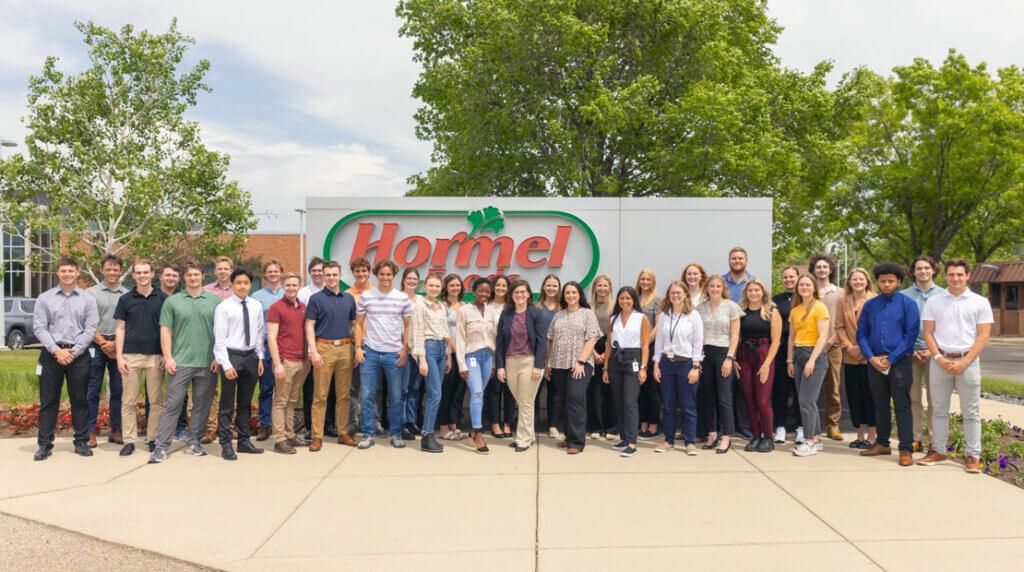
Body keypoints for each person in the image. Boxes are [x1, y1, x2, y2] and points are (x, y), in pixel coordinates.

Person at [918, 260, 994, 474]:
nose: (955, 278)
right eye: (951, 275)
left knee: (971, 411)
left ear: (968, 276)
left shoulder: (979, 302)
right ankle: (939, 450)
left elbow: (983, 335)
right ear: (946, 277)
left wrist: (965, 361)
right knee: (939, 409)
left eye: (960, 274)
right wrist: (938, 358)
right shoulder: (935, 301)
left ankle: (973, 455)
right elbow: (928, 333)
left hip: (968, 361)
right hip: (940, 361)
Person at [149, 259, 222, 463]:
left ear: (202, 276)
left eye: (196, 274)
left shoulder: (215, 301)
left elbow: (221, 332)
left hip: (207, 362)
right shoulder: (173, 301)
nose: (193, 278)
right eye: (189, 275)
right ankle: (161, 447)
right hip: (180, 362)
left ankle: (194, 442)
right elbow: (165, 330)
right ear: (184, 278)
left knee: (202, 405)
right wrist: (168, 357)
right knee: (172, 404)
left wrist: (218, 356)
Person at [31, 258, 99, 461]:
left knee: (80, 400)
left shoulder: (88, 300)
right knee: (48, 401)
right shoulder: (45, 298)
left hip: (78, 356)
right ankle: (44, 445)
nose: (67, 274)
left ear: (78, 273)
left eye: (71, 270)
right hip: (51, 355)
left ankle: (81, 442)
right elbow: (39, 327)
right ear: (58, 273)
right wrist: (56, 351)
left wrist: (74, 351)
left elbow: (90, 329)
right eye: (63, 270)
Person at [854, 263, 919, 467]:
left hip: (899, 362)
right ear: (878, 282)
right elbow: (861, 334)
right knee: (879, 403)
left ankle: (906, 449)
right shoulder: (870, 305)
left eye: (891, 281)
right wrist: (871, 357)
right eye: (883, 281)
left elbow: (910, 336)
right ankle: (882, 443)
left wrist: (890, 359)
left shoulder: (908, 304)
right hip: (874, 361)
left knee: (902, 405)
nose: (887, 284)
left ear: (899, 282)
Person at [354, 259, 413, 450]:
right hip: (370, 353)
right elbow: (358, 324)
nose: (385, 277)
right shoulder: (367, 296)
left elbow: (407, 326)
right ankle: (368, 434)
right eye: (382, 274)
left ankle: (396, 433)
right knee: (367, 395)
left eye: (389, 274)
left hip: (394, 354)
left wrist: (405, 349)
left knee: (396, 396)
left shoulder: (402, 298)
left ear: (393, 275)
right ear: (376, 275)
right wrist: (357, 348)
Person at [114, 259, 168, 456]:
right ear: (134, 275)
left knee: (156, 401)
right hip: (130, 356)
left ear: (152, 274)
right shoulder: (125, 299)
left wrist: (165, 354)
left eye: (146, 272)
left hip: (155, 356)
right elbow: (120, 328)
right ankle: (129, 440)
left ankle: (153, 437)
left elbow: (167, 329)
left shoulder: (162, 299)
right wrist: (119, 357)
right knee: (128, 401)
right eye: (139, 272)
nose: (143, 275)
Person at [213, 268, 266, 460]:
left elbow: (260, 333)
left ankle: (244, 441)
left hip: (251, 357)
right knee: (227, 403)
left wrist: (260, 357)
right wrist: (226, 365)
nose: (242, 286)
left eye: (245, 283)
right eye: (238, 283)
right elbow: (219, 339)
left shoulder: (256, 306)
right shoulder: (224, 307)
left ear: (250, 285)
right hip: (232, 357)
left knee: (245, 402)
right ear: (232, 285)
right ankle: (226, 444)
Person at [305, 261, 359, 450]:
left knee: (343, 395)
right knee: (320, 395)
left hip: (345, 347)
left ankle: (343, 432)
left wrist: (357, 347)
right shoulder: (316, 299)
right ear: (324, 276)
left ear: (340, 275)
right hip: (324, 348)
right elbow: (309, 325)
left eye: (335, 275)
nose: (331, 278)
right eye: (328, 275)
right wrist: (313, 350)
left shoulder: (349, 298)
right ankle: (317, 436)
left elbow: (354, 325)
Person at [545, 281, 602, 454]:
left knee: (576, 398)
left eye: (574, 293)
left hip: (580, 365)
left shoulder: (587, 314)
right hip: (558, 364)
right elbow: (550, 339)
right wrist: (548, 362)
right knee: (565, 399)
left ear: (579, 295)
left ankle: (577, 442)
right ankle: (569, 436)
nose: (570, 296)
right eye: (567, 293)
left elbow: (592, 337)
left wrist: (581, 361)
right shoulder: (558, 315)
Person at [652, 281, 703, 455]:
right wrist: (656, 364)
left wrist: (695, 366)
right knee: (668, 404)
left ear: (685, 295)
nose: (675, 296)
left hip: (686, 364)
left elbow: (698, 343)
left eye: (678, 293)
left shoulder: (694, 315)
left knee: (688, 405)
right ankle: (668, 440)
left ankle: (690, 441)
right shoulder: (665, 315)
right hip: (666, 364)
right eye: (672, 293)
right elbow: (659, 342)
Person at [496, 280, 548, 452]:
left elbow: (541, 342)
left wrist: (539, 366)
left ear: (528, 294)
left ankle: (523, 439)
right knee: (522, 400)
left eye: (522, 292)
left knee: (525, 400)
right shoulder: (506, 313)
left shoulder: (536, 313)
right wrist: (500, 366)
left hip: (529, 361)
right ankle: (530, 435)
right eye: (516, 292)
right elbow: (500, 341)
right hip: (510, 362)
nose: (519, 295)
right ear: (512, 295)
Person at [902, 255, 946, 452]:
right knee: (913, 399)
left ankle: (933, 441)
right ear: (913, 272)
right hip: (910, 354)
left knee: (935, 400)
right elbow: (900, 325)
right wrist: (909, 349)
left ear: (933, 270)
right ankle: (915, 437)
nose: (923, 272)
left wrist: (933, 350)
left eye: (927, 268)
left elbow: (947, 327)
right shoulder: (903, 296)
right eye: (919, 269)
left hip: (935, 354)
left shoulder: (944, 295)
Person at [696, 275, 743, 454]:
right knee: (708, 396)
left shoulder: (732, 307)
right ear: (706, 288)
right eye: (711, 286)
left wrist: (730, 358)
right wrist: (698, 359)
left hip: (723, 354)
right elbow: (698, 335)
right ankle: (712, 433)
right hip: (705, 354)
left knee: (724, 397)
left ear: (723, 288)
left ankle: (726, 436)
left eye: (718, 286)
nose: (714, 289)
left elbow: (735, 335)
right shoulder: (700, 308)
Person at [602, 287, 652, 457]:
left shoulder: (641, 318)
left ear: (634, 300)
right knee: (619, 401)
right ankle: (624, 438)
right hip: (616, 359)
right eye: (622, 298)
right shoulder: (613, 319)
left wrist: (644, 368)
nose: (625, 301)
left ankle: (632, 442)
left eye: (628, 298)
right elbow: (609, 344)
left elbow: (645, 345)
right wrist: (606, 368)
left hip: (634, 358)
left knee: (630, 401)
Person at [85, 254, 127, 448]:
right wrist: (103, 343)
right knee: (93, 389)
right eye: (108, 269)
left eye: (115, 269)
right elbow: (87, 322)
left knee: (118, 389)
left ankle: (116, 430)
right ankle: (90, 432)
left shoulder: (126, 294)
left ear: (120, 271)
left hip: (118, 346)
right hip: (96, 345)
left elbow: (128, 324)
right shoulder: (91, 293)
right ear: (102, 271)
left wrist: (114, 345)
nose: (112, 273)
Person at [787, 273, 830, 457]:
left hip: (815, 355)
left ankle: (809, 441)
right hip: (798, 354)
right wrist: (790, 360)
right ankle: (817, 439)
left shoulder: (820, 307)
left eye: (807, 285)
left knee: (806, 400)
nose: (804, 287)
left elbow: (823, 336)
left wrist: (812, 360)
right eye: (801, 285)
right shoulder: (795, 309)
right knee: (805, 399)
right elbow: (791, 337)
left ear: (814, 287)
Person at [834, 268, 877, 450]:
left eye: (861, 279)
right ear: (849, 282)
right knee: (854, 396)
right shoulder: (843, 301)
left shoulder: (876, 300)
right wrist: (849, 347)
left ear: (867, 281)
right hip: (850, 356)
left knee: (871, 396)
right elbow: (839, 326)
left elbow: (877, 328)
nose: (858, 282)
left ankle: (873, 435)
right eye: (854, 279)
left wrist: (863, 348)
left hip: (870, 357)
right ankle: (859, 434)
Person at [737, 279, 782, 453]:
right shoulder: (741, 311)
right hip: (744, 355)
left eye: (757, 290)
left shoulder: (772, 310)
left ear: (763, 292)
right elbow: (737, 337)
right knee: (750, 400)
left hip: (764, 354)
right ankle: (756, 435)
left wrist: (766, 364)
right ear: (746, 293)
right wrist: (734, 360)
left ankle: (768, 437)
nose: (754, 293)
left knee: (763, 401)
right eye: (750, 290)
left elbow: (776, 341)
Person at [267, 273, 310, 454]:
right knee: (281, 401)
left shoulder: (303, 307)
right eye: (288, 285)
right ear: (283, 286)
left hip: (302, 361)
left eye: (294, 285)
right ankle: (279, 439)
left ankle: (290, 435)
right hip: (286, 361)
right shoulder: (276, 307)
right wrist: (277, 364)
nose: (291, 288)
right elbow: (271, 337)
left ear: (299, 286)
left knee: (292, 400)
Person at [411, 273, 454, 453]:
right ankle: (427, 436)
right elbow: (417, 332)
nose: (434, 289)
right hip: (428, 348)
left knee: (437, 393)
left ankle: (429, 435)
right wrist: (421, 359)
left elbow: (446, 332)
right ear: (425, 286)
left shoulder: (442, 306)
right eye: (431, 286)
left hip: (440, 350)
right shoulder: (419, 305)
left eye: (437, 286)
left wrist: (449, 355)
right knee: (434, 394)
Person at [455, 277, 498, 454]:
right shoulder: (465, 310)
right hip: (471, 356)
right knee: (477, 392)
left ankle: (473, 429)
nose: (484, 294)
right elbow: (459, 338)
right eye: (481, 290)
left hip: (488, 357)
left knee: (478, 394)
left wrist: (494, 361)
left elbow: (494, 337)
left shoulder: (492, 311)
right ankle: (478, 432)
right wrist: (461, 364)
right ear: (474, 291)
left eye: (487, 291)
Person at [809, 253, 844, 441]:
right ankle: (811, 426)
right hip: (810, 346)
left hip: (833, 345)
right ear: (813, 270)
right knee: (811, 389)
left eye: (825, 267)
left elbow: (844, 320)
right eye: (818, 267)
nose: (822, 270)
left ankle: (833, 425)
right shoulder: (808, 291)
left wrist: (831, 339)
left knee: (833, 388)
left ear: (830, 270)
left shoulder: (840, 293)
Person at [200, 256, 234, 444]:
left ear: (231, 270)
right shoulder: (206, 292)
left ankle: (228, 426)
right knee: (210, 390)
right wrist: (215, 353)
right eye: (219, 269)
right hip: (210, 347)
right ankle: (211, 428)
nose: (223, 272)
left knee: (231, 389)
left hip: (233, 348)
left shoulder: (238, 290)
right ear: (215, 271)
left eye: (226, 269)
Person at [251, 259, 285, 442]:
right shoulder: (257, 296)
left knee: (284, 389)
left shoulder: (288, 293)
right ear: (265, 275)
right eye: (269, 272)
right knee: (266, 388)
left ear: (281, 272)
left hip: (284, 347)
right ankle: (265, 425)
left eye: (276, 271)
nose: (273, 274)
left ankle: (283, 426)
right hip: (264, 346)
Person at [157, 262, 191, 442]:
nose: (170, 278)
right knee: (154, 394)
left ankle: (179, 427)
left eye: (174, 276)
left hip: (178, 353)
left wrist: (170, 354)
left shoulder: (182, 299)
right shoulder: (153, 297)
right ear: (161, 276)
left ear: (179, 280)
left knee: (181, 393)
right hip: (155, 353)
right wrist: (162, 353)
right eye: (167, 275)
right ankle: (154, 429)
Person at [299, 257, 328, 438]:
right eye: (314, 270)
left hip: (328, 346)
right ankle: (310, 427)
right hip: (309, 347)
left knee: (328, 389)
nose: (317, 273)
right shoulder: (303, 293)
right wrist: (309, 349)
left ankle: (328, 425)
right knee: (310, 389)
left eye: (320, 270)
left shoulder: (332, 291)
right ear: (310, 273)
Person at [771, 267, 801, 445]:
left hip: (802, 348)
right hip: (781, 349)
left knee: (800, 392)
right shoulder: (776, 300)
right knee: (780, 390)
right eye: (785, 277)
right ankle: (780, 427)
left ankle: (801, 428)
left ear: (798, 278)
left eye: (792, 277)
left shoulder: (806, 298)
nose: (789, 280)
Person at [346, 256, 374, 436]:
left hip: (373, 345)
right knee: (353, 386)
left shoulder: (377, 292)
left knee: (373, 387)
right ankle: (352, 423)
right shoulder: (348, 294)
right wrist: (356, 343)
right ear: (353, 273)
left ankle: (372, 421)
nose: (361, 274)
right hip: (354, 345)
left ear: (369, 272)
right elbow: (348, 321)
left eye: (364, 270)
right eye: (358, 271)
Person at [485, 275, 515, 438]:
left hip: (510, 354)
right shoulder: (486, 306)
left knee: (510, 391)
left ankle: (508, 423)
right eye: (498, 285)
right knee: (494, 390)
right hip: (490, 353)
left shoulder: (512, 307)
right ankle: (495, 423)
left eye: (504, 286)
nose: (501, 288)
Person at [438, 274, 467, 440]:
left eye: (458, 285)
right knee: (446, 391)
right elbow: (443, 331)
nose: (455, 288)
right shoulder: (442, 306)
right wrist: (453, 350)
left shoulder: (465, 306)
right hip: (447, 354)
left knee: (458, 391)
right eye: (452, 285)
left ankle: (453, 425)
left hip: (463, 355)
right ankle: (443, 428)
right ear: (446, 287)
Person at [587, 275, 617, 440]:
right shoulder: (588, 307)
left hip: (610, 347)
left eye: (605, 286)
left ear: (610, 288)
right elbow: (585, 333)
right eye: (599, 285)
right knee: (595, 392)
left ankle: (612, 427)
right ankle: (597, 427)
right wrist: (594, 353)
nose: (602, 288)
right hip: (591, 348)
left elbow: (617, 331)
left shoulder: (615, 307)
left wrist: (606, 353)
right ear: (594, 288)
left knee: (610, 391)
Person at [636, 269, 662, 440]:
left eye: (648, 279)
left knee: (652, 388)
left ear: (653, 281)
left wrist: (646, 342)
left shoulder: (657, 300)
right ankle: (642, 423)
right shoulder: (635, 298)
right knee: (640, 388)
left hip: (650, 347)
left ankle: (653, 425)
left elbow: (658, 326)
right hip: (634, 348)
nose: (645, 282)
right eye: (642, 279)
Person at [398, 267, 423, 440]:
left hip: (418, 349)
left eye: (415, 279)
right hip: (403, 348)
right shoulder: (398, 298)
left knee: (415, 387)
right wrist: (403, 346)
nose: (412, 281)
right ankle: (400, 423)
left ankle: (411, 421)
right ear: (403, 280)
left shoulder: (421, 300)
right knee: (403, 388)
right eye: (409, 278)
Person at [535, 274, 561, 437]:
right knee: (533, 392)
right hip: (538, 355)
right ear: (544, 287)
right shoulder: (536, 308)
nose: (551, 288)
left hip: (558, 356)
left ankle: (553, 425)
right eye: (548, 285)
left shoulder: (563, 308)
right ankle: (531, 424)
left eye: (554, 286)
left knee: (555, 393)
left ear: (559, 288)